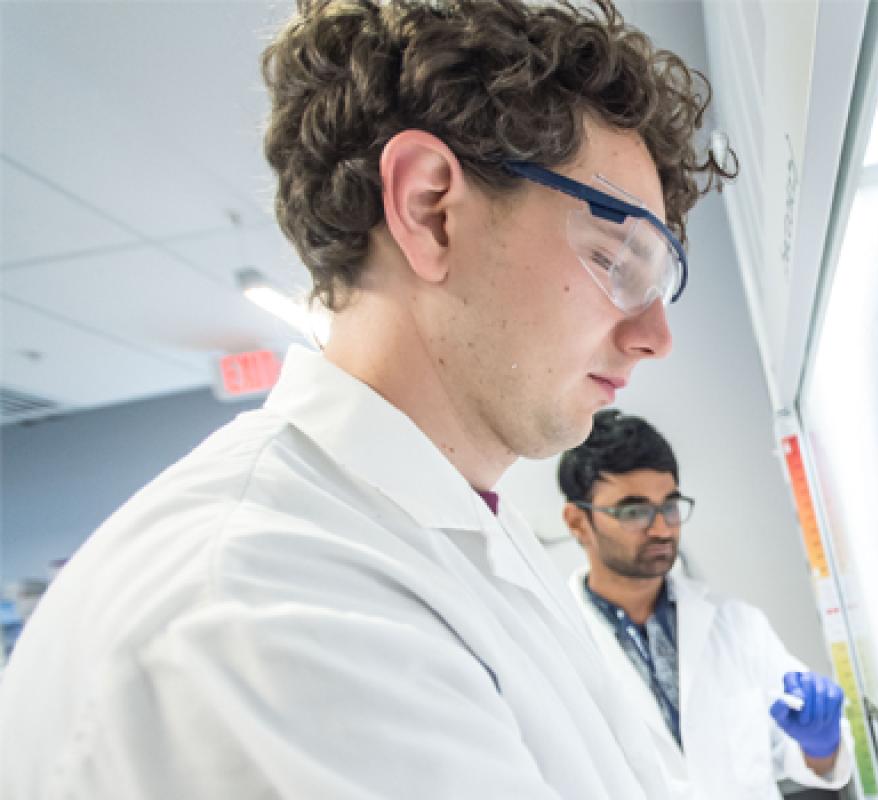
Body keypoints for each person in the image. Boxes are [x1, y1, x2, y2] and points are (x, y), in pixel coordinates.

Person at [0, 1, 734, 797]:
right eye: (614, 258)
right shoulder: (269, 603)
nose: (655, 335)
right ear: (430, 211)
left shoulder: (456, 529)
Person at [557, 409, 855, 800]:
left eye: (669, 505)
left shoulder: (738, 626)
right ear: (578, 522)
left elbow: (816, 763)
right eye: (633, 511)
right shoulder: (554, 643)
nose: (662, 527)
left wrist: (821, 742)